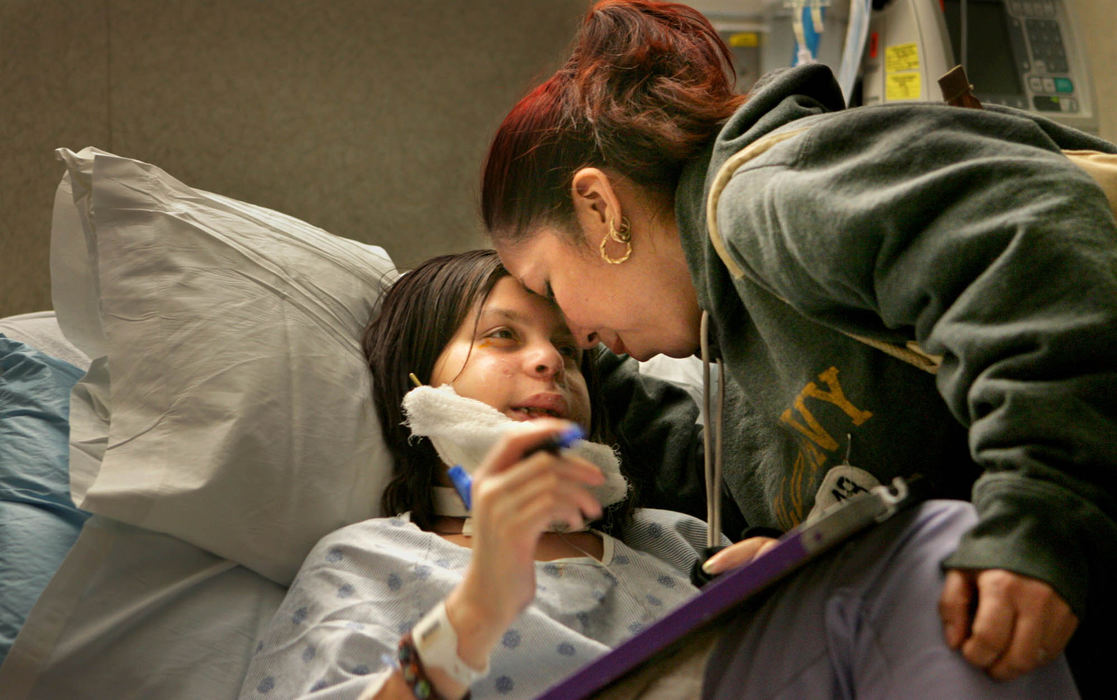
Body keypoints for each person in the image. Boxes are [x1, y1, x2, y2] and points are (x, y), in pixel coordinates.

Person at [480, 0, 1117, 695]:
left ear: (599, 208)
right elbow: (731, 451)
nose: (570, 333)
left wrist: (1035, 515)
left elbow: (1033, 243)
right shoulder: (740, 343)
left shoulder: (759, 201)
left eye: (548, 284)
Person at [237, 251, 1077, 699]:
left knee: (938, 547)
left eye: (566, 350)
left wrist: (789, 591)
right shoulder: (371, 563)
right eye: (500, 338)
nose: (548, 363)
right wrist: (478, 607)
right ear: (417, 387)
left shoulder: (668, 540)